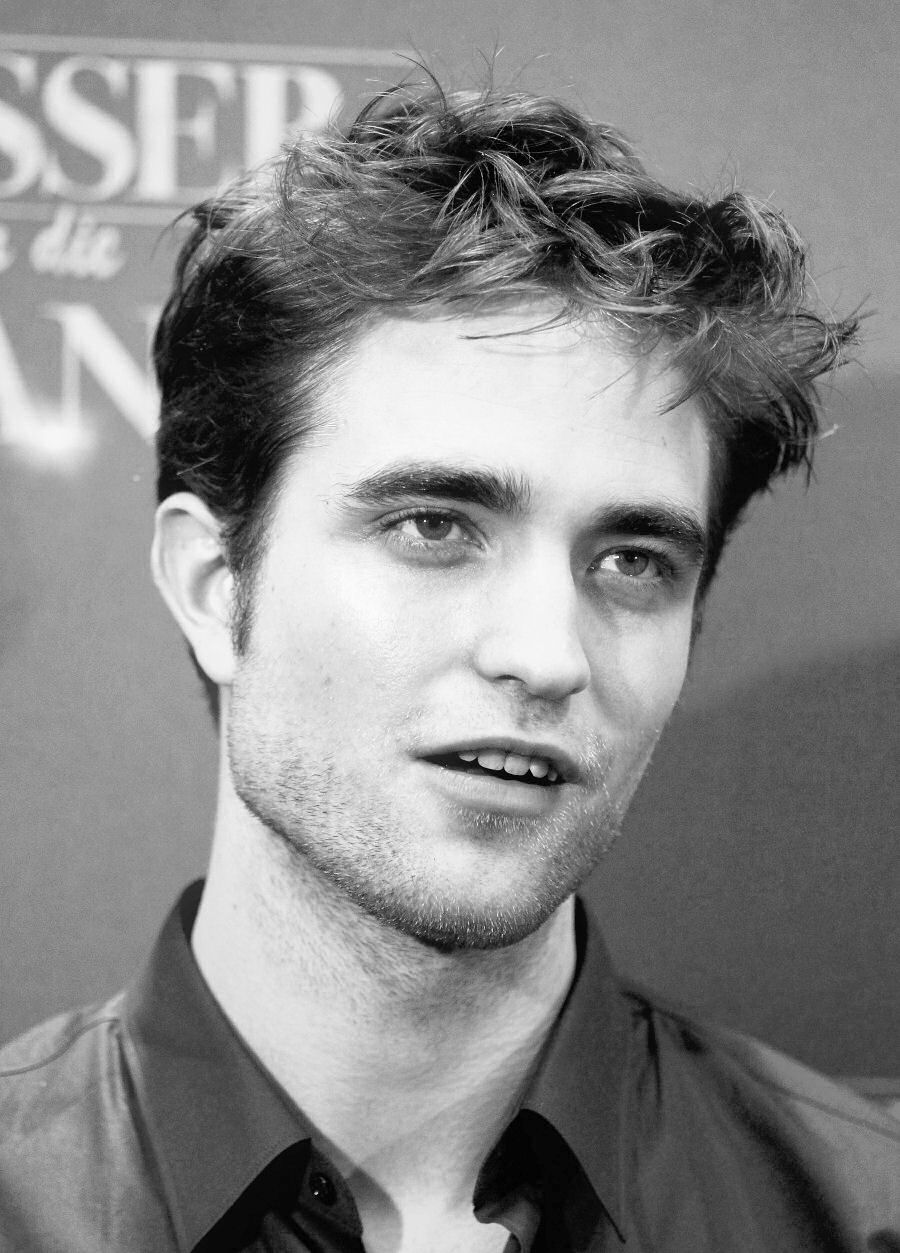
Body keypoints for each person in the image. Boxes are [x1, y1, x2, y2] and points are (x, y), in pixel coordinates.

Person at [1, 79, 897, 1253]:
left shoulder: (862, 1213)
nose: (545, 654)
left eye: (631, 561)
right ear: (217, 585)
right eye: (434, 526)